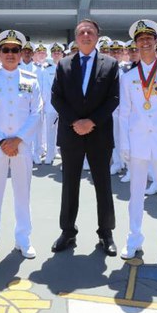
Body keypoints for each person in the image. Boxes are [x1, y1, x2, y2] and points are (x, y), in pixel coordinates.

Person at [50, 18, 120, 256]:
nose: (86, 35)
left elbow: (113, 99)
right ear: (76, 38)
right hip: (71, 134)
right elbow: (56, 97)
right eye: (82, 32)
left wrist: (91, 122)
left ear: (97, 36)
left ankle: (106, 233)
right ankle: (67, 231)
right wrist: (74, 122)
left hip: (99, 133)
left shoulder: (110, 64)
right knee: (69, 185)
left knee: (103, 184)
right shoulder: (64, 64)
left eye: (90, 32)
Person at [118, 20, 157, 265]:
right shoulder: (128, 76)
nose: (145, 43)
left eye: (149, 38)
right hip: (137, 142)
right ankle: (134, 238)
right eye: (140, 39)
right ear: (135, 44)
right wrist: (124, 143)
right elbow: (124, 113)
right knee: (136, 194)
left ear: (156, 41)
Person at [0, 30, 42, 262]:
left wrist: (18, 139)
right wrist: (2, 141)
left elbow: (37, 113)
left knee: (22, 195)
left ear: (21, 53)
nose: (11, 54)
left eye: (15, 50)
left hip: (22, 146)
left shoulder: (31, 80)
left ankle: (23, 239)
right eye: (6, 50)